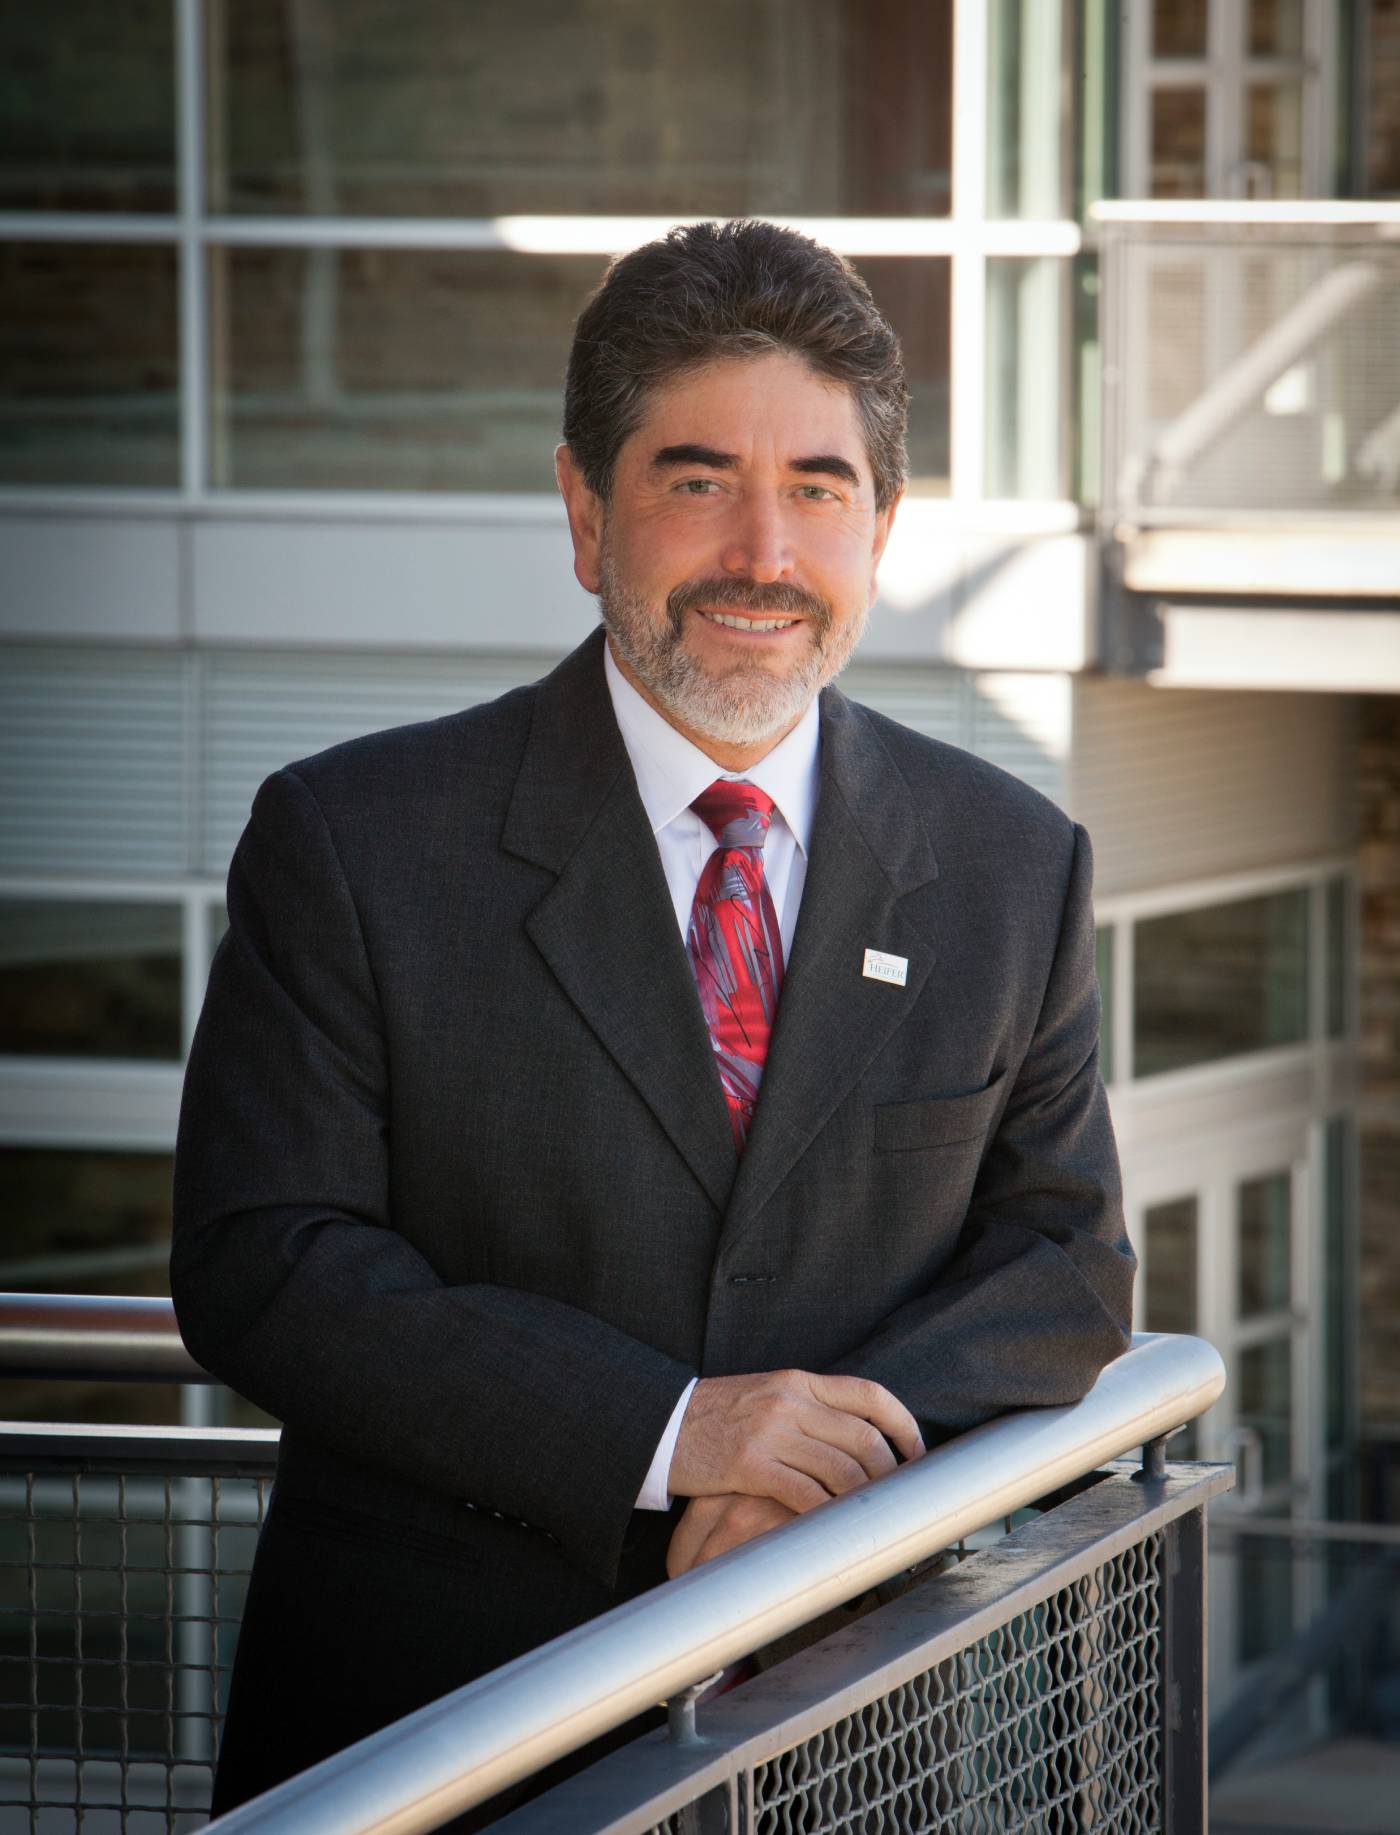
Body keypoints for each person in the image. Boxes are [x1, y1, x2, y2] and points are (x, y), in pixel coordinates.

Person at [171, 219, 1134, 1817]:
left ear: (881, 528)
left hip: (843, 1745)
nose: (763, 548)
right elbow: (263, 1260)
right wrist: (674, 1432)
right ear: (582, 511)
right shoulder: (355, 841)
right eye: (697, 480)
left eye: (819, 488)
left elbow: (1068, 1263)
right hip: (432, 1735)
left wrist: (831, 1459)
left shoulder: (1012, 864)